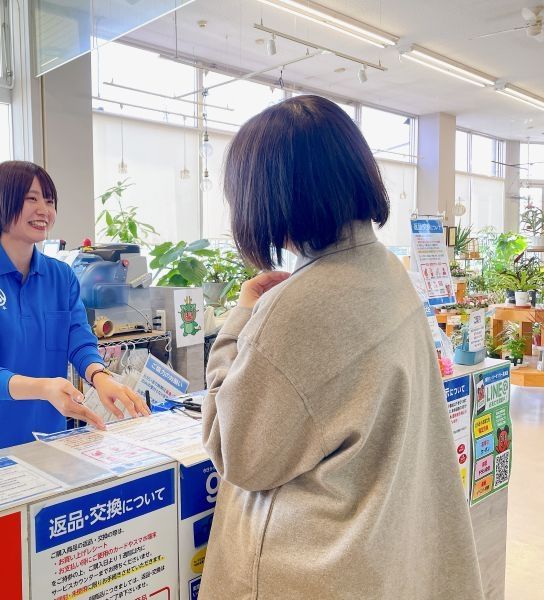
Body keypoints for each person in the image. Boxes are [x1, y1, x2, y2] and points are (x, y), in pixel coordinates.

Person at [200, 96, 484, 599]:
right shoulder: (388, 274)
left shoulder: (296, 308)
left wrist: (240, 318)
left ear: (270, 198)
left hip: (310, 567)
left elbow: (236, 451)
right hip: (377, 558)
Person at [0, 161, 149, 462]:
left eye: (49, 201)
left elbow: (78, 338)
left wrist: (100, 376)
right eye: (31, 199)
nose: (44, 210)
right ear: (2, 201)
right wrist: (43, 388)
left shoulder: (61, 276)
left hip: (46, 443)